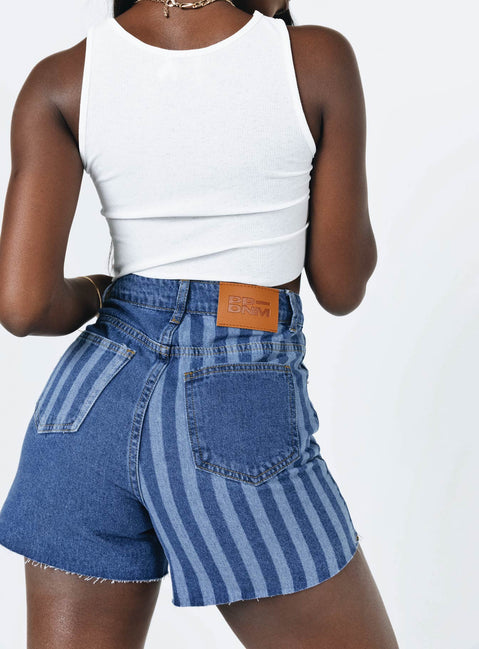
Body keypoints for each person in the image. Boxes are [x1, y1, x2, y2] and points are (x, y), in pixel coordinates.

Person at [0, 0, 399, 647]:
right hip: (233, 404)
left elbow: (24, 306)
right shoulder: (315, 59)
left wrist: (104, 290)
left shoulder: (62, 78)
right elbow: (341, 283)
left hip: (84, 408)